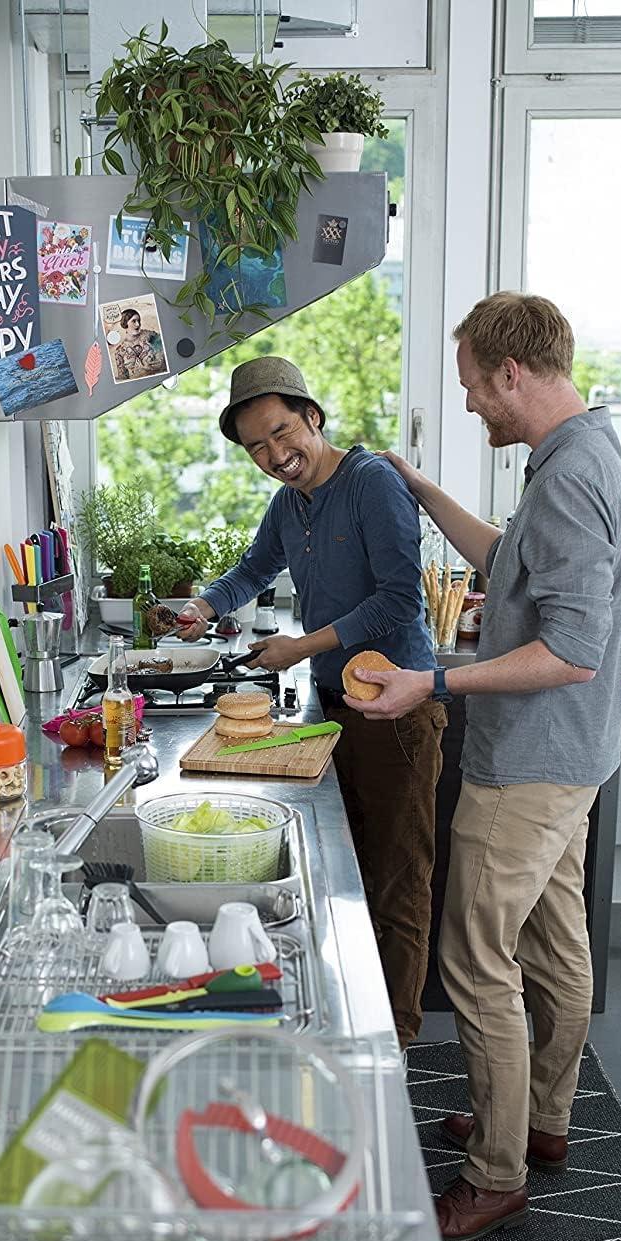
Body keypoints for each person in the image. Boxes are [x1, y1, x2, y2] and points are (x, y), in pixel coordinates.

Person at [345, 293, 621, 1241]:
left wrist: (435, 682)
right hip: (573, 758)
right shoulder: (579, 454)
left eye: (473, 384)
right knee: (556, 948)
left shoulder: (565, 478)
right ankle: (539, 1121)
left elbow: (572, 650)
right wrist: (423, 490)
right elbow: (512, 563)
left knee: (475, 962)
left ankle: (495, 1171)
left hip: (527, 771)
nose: (471, 402)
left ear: (513, 372)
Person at [176, 357, 445, 1049]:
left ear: (312, 416)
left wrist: (299, 646)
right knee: (344, 875)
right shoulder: (288, 504)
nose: (275, 455)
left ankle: (396, 1041)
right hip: (332, 707)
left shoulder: (371, 484)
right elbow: (256, 568)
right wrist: (204, 605)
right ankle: (353, 1021)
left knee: (397, 882)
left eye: (282, 431)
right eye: (257, 447)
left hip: (396, 708)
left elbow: (397, 601)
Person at [112, 308, 165, 382]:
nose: (138, 324)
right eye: (134, 321)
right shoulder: (119, 351)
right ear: (125, 323)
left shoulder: (149, 335)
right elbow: (123, 379)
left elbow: (165, 350)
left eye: (139, 321)